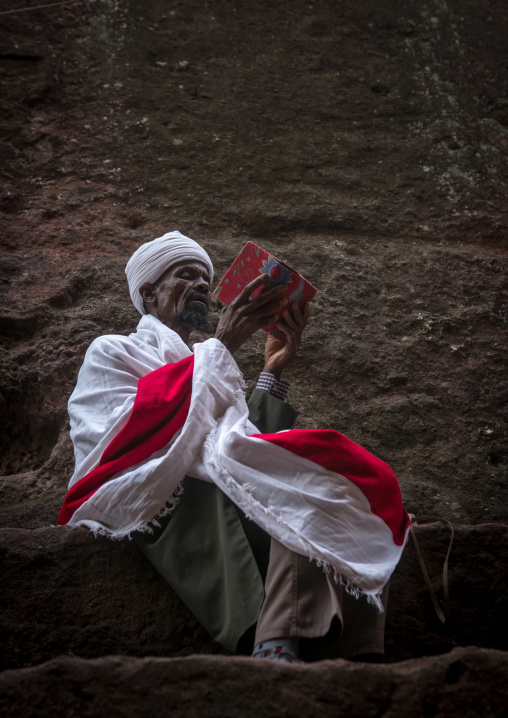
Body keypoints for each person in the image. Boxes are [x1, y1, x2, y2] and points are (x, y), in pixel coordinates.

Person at [58, 230, 409, 663]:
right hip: (160, 502)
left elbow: (238, 443)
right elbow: (132, 434)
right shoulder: (113, 351)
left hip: (216, 488)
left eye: (207, 280)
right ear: (149, 293)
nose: (203, 287)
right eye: (187, 276)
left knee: (333, 480)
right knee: (287, 482)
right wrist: (221, 346)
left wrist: (273, 373)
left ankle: (357, 652)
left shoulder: (206, 362)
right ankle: (275, 643)